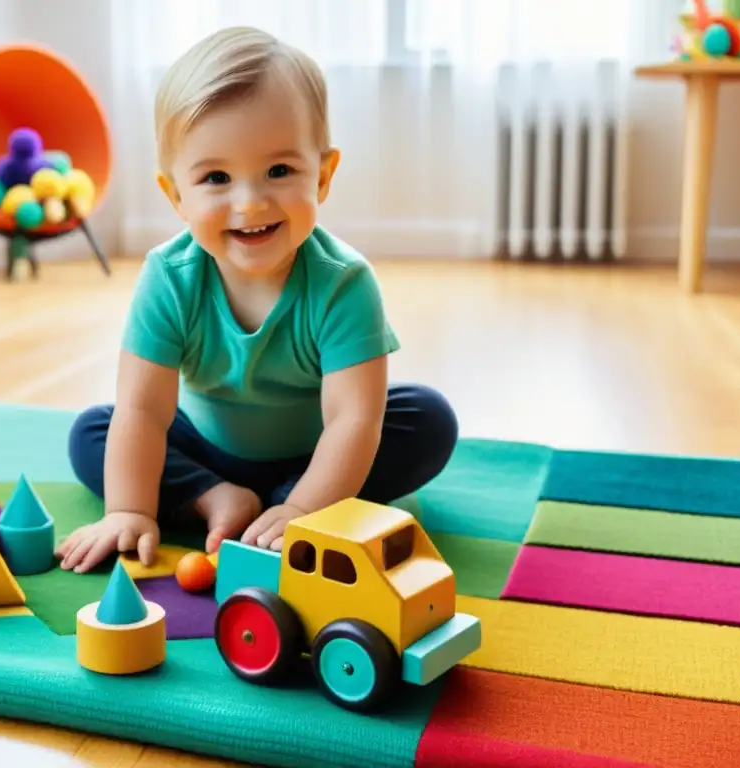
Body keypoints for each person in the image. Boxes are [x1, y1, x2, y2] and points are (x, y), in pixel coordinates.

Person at [56, 26, 458, 573]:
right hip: (203, 445)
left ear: (323, 176)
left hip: (318, 453)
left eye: (279, 171)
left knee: (428, 420)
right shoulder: (169, 278)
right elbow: (144, 410)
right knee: (95, 433)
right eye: (216, 177)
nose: (249, 203)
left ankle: (287, 503)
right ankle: (216, 497)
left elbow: (351, 421)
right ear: (176, 195)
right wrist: (127, 510)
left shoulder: (343, 283)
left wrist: (305, 507)